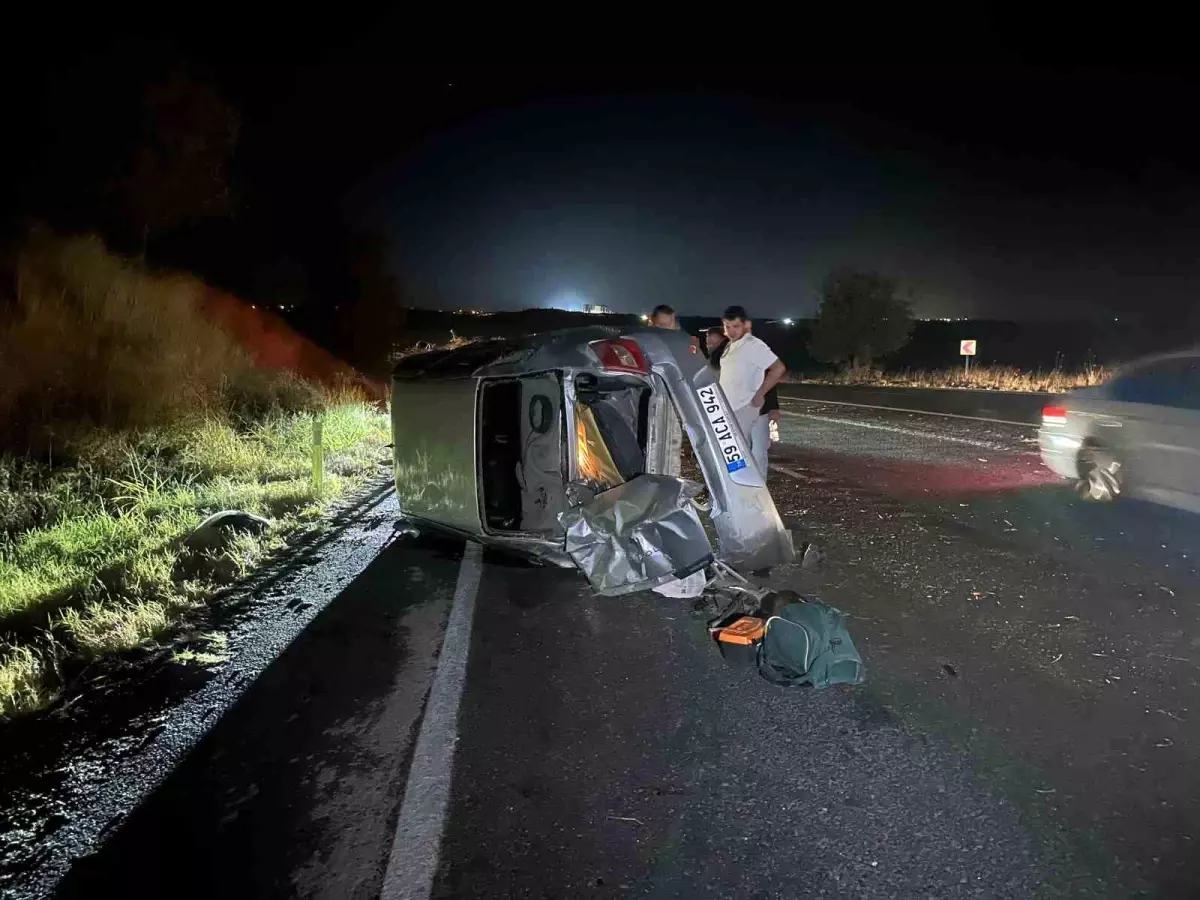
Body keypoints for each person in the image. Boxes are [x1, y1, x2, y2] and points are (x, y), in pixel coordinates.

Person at [718, 305, 786, 475]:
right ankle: (739, 493)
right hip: (730, 409)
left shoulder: (752, 345)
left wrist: (760, 394)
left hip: (745, 408)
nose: (731, 331)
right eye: (728, 326)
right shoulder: (731, 345)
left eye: (736, 326)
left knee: (745, 455)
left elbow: (778, 368)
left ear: (745, 325)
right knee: (735, 456)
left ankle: (753, 495)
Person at [648, 303, 683, 475]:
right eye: (661, 326)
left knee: (673, 444)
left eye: (669, 326)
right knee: (652, 443)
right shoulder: (646, 342)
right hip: (654, 397)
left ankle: (672, 482)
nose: (666, 331)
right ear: (652, 323)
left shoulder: (680, 343)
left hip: (674, 400)